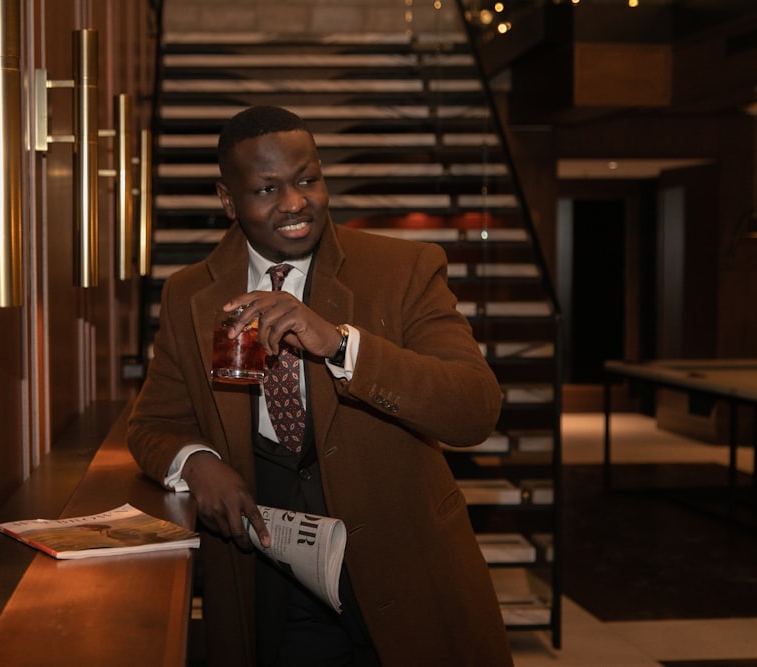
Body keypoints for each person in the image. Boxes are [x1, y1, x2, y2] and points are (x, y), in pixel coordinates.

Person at [127, 105, 514, 666]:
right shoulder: (191, 293)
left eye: (307, 179)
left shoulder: (404, 269)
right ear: (228, 200)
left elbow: (474, 409)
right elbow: (153, 424)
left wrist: (340, 345)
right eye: (266, 188)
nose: (293, 203)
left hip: (404, 571)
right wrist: (197, 462)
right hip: (272, 586)